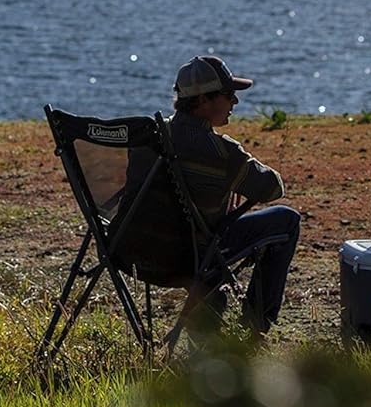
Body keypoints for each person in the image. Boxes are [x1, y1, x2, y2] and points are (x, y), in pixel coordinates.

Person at [113, 54, 301, 334]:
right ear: (202, 101)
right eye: (228, 95)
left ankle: (209, 317)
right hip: (187, 259)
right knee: (287, 220)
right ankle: (255, 327)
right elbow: (273, 188)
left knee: (204, 241)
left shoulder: (146, 137)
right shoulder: (222, 153)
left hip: (126, 249)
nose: (235, 102)